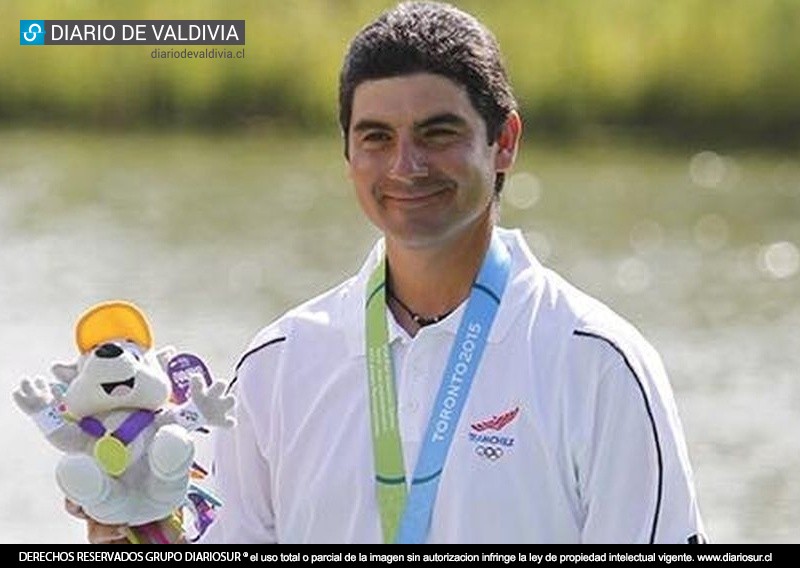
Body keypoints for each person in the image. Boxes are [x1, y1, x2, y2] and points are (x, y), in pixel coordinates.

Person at [75, 1, 706, 544]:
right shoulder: (277, 363)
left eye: (438, 132)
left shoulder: (598, 363)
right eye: (377, 136)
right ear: (348, 151)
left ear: (504, 141)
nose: (406, 166)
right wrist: (132, 528)